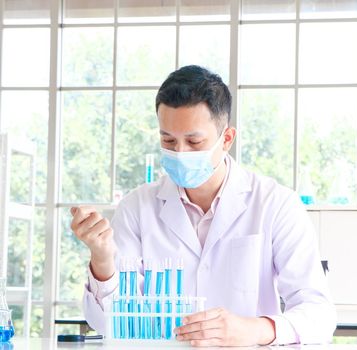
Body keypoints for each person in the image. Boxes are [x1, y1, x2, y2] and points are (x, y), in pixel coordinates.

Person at [70, 65, 336, 347]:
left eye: (194, 141)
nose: (179, 152)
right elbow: (107, 323)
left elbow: (318, 313)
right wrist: (102, 259)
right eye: (168, 140)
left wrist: (255, 330)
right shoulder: (137, 207)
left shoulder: (275, 203)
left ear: (227, 140)